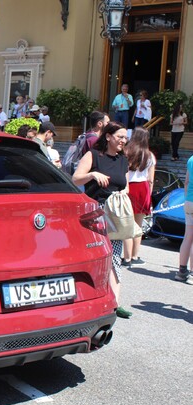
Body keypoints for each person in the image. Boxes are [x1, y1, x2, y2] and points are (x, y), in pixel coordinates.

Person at [72, 121, 132, 318]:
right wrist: (92, 174)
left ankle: (114, 302)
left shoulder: (124, 160)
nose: (124, 141)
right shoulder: (93, 155)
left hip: (114, 213)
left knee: (115, 255)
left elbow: (126, 185)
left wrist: (123, 195)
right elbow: (76, 179)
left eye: (125, 137)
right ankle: (85, 298)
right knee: (93, 254)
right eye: (120, 137)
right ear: (108, 137)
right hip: (94, 212)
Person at [122, 127, 155, 267]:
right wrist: (149, 194)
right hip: (143, 188)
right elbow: (151, 179)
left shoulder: (127, 151)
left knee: (127, 222)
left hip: (129, 187)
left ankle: (127, 256)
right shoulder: (150, 155)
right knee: (138, 224)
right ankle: (135, 256)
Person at [176, 154, 193, 284]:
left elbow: (186, 181)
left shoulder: (191, 159)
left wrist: (188, 197)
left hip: (189, 201)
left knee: (188, 237)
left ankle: (182, 271)